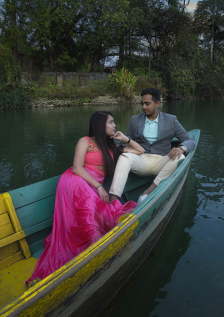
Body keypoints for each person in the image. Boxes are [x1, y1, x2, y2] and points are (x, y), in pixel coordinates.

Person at [26, 111, 144, 285]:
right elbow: (76, 168)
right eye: (111, 123)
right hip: (76, 180)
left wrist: (125, 138)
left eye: (114, 123)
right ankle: (93, 244)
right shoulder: (85, 141)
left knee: (97, 204)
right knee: (90, 203)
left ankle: (94, 243)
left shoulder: (113, 146)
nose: (114, 125)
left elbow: (140, 151)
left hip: (91, 186)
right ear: (100, 125)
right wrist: (98, 187)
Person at [108, 88, 196, 204]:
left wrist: (180, 148)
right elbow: (125, 142)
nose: (143, 107)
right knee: (124, 157)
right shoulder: (135, 120)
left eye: (147, 104)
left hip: (162, 160)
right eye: (142, 103)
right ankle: (113, 202)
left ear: (157, 103)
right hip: (141, 159)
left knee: (180, 157)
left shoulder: (171, 120)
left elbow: (189, 140)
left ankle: (147, 193)